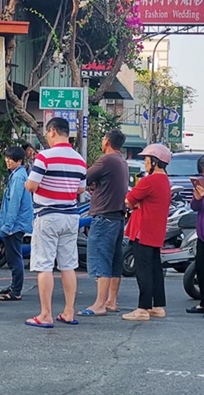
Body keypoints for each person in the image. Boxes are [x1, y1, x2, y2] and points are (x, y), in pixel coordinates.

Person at [24, 117, 86, 328]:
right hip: (71, 216)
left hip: (48, 216)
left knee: (45, 265)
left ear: (51, 132)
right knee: (68, 265)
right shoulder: (79, 159)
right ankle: (69, 311)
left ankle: (45, 314)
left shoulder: (45, 157)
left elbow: (32, 185)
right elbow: (80, 189)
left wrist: (32, 184)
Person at [78, 129, 129, 317]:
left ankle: (99, 304)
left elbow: (85, 177)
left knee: (101, 260)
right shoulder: (122, 161)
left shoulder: (106, 160)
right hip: (117, 217)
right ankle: (111, 301)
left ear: (107, 141)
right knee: (114, 260)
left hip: (104, 217)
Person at [121, 144, 173, 321]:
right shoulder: (165, 181)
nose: (144, 162)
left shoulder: (149, 181)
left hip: (142, 230)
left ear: (155, 162)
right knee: (155, 269)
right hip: (155, 231)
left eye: (146, 159)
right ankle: (158, 305)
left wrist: (135, 204)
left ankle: (143, 308)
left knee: (143, 270)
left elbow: (128, 200)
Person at [0, 146, 33, 302]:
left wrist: (8, 226)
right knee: (13, 256)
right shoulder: (18, 175)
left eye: (11, 159)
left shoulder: (18, 177)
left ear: (19, 161)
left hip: (15, 224)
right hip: (17, 223)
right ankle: (14, 286)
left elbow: (14, 204)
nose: (7, 161)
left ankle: (16, 290)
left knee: (14, 257)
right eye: (7, 157)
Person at [187, 152, 204, 319]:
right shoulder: (202, 185)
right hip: (203, 234)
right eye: (203, 173)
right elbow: (195, 207)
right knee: (202, 269)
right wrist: (197, 198)